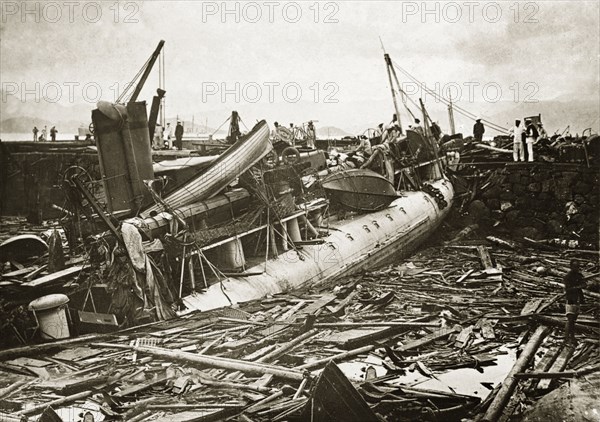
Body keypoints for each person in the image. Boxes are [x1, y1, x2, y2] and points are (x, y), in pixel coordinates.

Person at [563, 259, 585, 344]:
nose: (577, 268)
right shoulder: (568, 276)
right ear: (571, 266)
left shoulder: (579, 275)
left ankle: (572, 337)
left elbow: (584, 284)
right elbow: (567, 289)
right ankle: (566, 339)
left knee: (574, 320)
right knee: (570, 319)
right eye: (575, 266)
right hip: (571, 298)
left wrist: (582, 285)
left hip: (578, 298)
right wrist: (577, 287)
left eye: (578, 266)